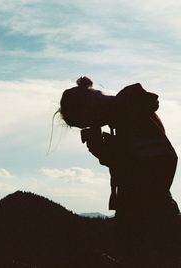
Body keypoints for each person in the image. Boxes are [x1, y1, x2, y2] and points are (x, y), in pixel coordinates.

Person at [59, 77, 180, 266]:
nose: (93, 126)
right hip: (149, 218)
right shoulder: (128, 113)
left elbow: (161, 160)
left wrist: (110, 154)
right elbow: (139, 160)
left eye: (87, 122)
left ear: (91, 109)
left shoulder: (130, 115)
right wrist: (110, 153)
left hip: (152, 222)